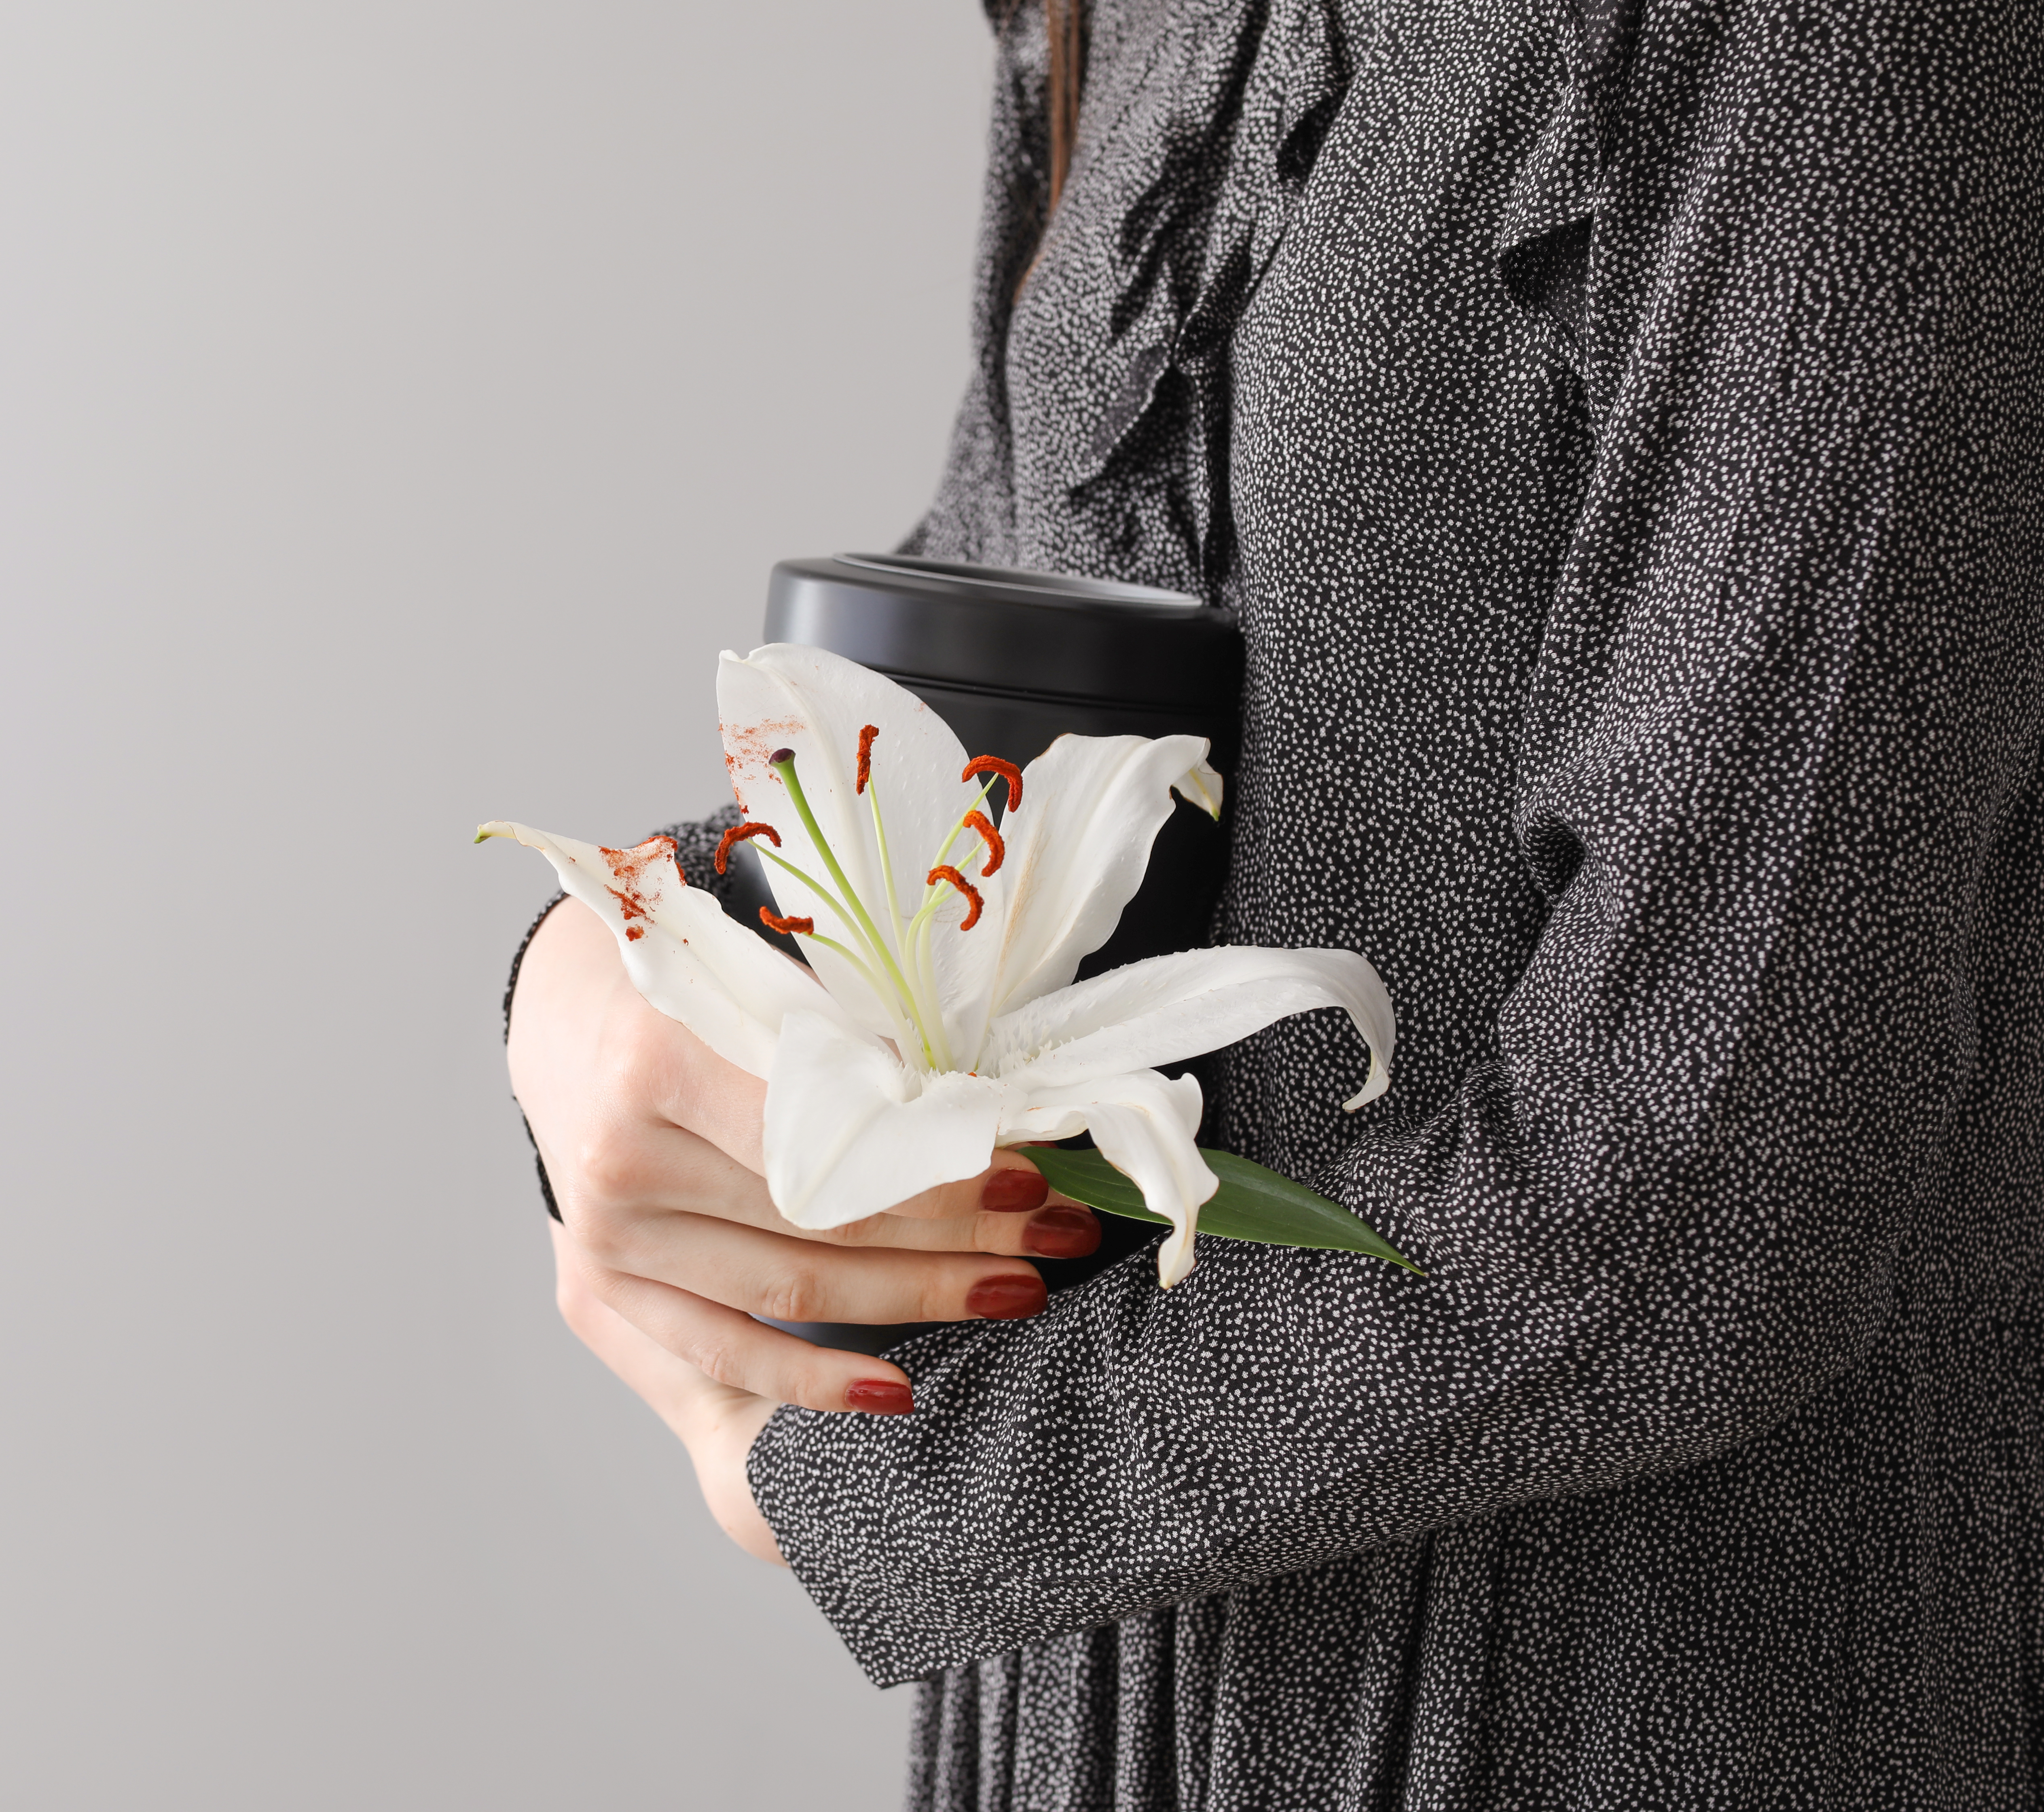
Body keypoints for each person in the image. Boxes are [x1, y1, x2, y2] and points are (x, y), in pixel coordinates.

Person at [503, 0, 2043, 1804]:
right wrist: (613, 957)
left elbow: (1716, 1178)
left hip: (1633, 1701)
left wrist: (885, 1476)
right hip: (1083, 1697)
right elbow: (1004, 651)